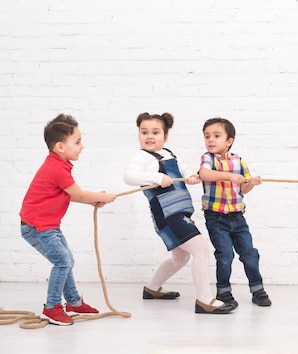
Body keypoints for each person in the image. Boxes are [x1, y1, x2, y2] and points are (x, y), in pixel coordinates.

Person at [123, 112, 233, 315]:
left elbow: (185, 170)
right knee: (200, 249)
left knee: (180, 258)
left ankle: (152, 289)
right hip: (167, 213)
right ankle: (205, 300)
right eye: (144, 132)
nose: (149, 136)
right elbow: (129, 176)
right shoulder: (141, 156)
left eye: (155, 132)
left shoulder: (170, 154)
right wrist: (157, 177)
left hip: (179, 211)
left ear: (165, 137)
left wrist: (191, 177)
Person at [19, 114, 117, 326]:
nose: (82, 146)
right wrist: (100, 197)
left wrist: (92, 201)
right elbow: (79, 194)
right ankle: (52, 307)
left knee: (66, 260)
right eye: (78, 142)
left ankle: (73, 302)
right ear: (60, 147)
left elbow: (70, 194)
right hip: (37, 227)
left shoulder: (58, 165)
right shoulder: (57, 168)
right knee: (62, 261)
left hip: (46, 226)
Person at [199, 117, 270, 309]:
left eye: (216, 136)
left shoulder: (239, 160)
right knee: (225, 255)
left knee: (249, 253)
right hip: (216, 217)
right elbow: (204, 174)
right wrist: (231, 176)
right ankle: (224, 291)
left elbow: (244, 189)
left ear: (229, 141)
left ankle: (257, 290)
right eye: (207, 136)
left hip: (237, 216)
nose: (211, 140)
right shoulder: (208, 158)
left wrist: (251, 183)